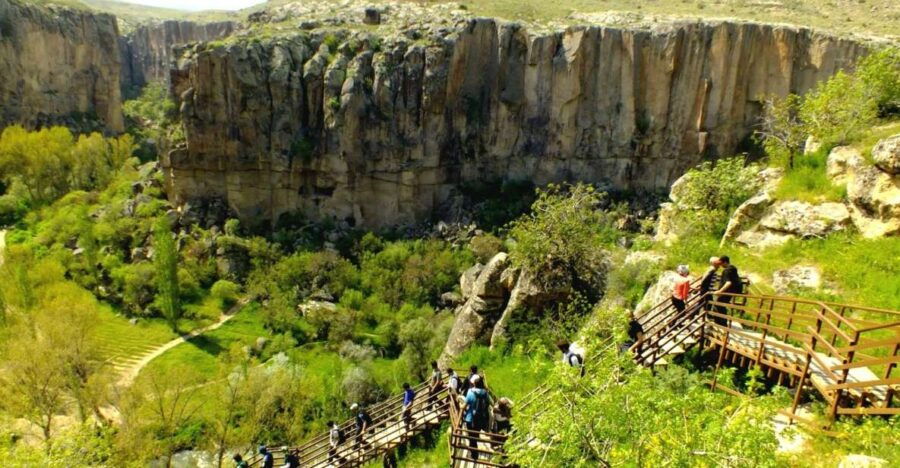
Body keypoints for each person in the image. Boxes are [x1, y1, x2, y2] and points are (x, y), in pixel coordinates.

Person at [463, 375, 491, 460]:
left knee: (472, 438)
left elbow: (465, 405)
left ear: (474, 384)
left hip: (470, 419)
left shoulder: (470, 392)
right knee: (476, 433)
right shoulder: (485, 393)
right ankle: (474, 450)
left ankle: (474, 456)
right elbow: (489, 403)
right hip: (481, 419)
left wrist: (461, 407)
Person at [713, 255, 743, 325]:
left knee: (719, 305)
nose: (720, 265)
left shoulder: (727, 270)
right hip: (732, 291)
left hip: (727, 292)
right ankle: (721, 322)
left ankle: (722, 323)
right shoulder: (733, 268)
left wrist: (720, 291)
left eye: (721, 263)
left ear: (725, 262)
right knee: (720, 305)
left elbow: (728, 282)